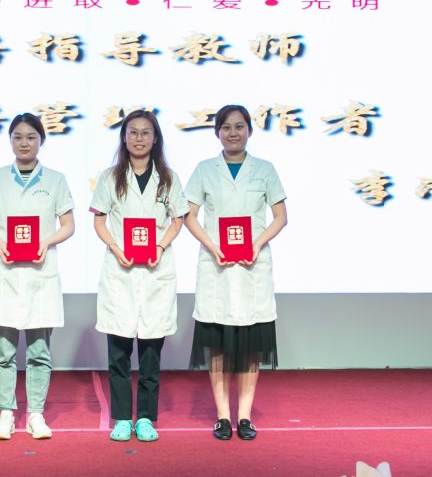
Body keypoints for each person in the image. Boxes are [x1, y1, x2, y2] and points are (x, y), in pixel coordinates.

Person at [183, 104, 287, 441]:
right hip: (217, 266)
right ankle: (223, 416)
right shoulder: (204, 169)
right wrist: (211, 245)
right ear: (217, 132)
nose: (233, 133)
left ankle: (244, 416)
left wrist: (258, 243)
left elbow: (281, 217)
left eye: (239, 126)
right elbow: (188, 215)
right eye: (226, 127)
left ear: (249, 131)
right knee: (218, 345)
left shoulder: (265, 169)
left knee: (250, 345)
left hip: (252, 266)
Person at [0, 113, 75, 440]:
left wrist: (47, 242)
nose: (24, 143)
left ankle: (36, 415)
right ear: (10, 140)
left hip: (40, 273)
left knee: (39, 352)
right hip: (4, 272)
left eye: (31, 137)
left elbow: (68, 225)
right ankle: (5, 413)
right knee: (3, 351)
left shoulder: (55, 180)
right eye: (17, 137)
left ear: (41, 140)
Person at [89, 110, 186, 443]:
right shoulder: (110, 177)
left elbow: (177, 219)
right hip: (121, 271)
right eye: (133, 132)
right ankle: (121, 418)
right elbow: (99, 220)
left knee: (150, 355)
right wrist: (115, 247)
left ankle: (144, 418)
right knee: (118, 354)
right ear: (124, 137)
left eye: (146, 132)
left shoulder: (168, 178)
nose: (139, 138)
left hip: (156, 271)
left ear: (155, 138)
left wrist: (160, 246)